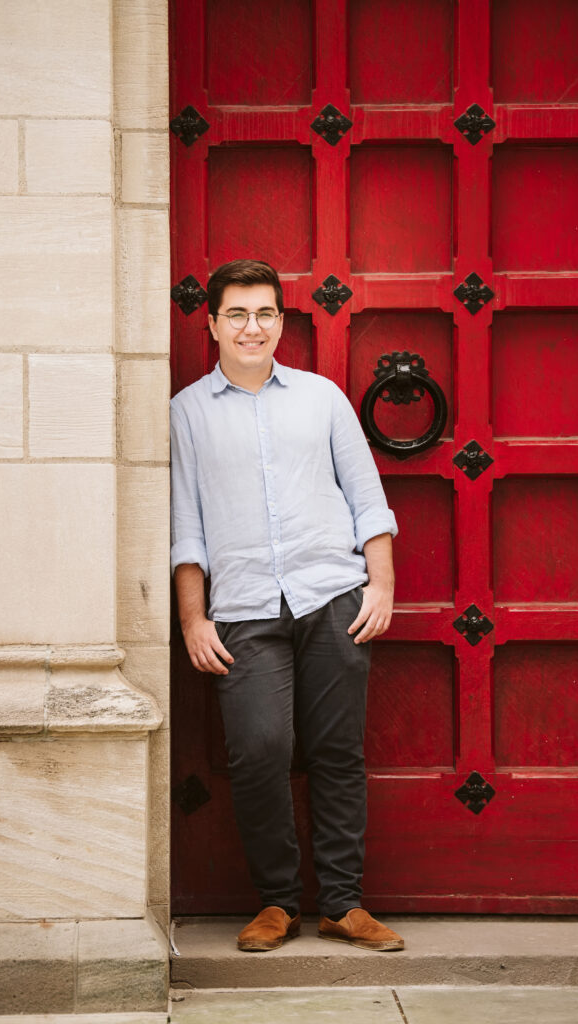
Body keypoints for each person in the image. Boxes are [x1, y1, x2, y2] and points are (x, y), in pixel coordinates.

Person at [171, 259, 404, 953]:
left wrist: (381, 584)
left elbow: (366, 499)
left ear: (281, 321)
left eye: (265, 313)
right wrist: (192, 616)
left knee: (335, 751)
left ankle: (341, 903)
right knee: (258, 749)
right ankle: (276, 901)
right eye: (237, 314)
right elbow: (186, 524)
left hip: (333, 594)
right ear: (211, 323)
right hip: (242, 605)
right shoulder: (185, 414)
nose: (252, 327)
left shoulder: (321, 397)